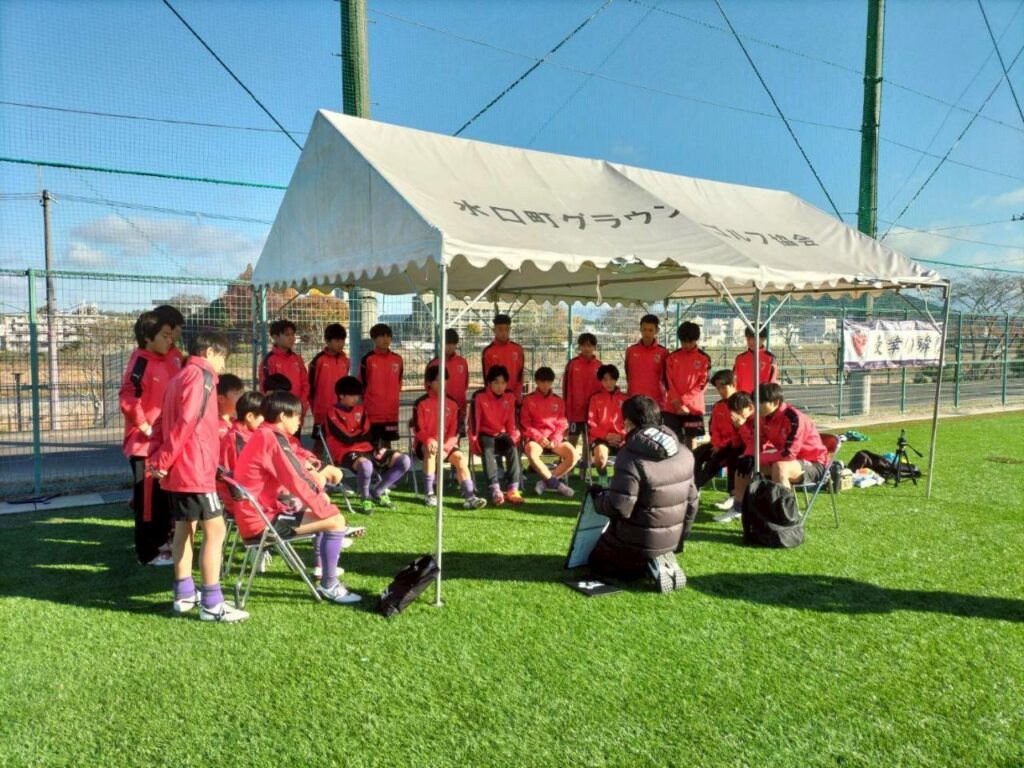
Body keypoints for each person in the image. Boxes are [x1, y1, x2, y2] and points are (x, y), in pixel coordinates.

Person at [148, 331, 248, 622]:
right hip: (195, 468)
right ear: (209, 353)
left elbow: (160, 422)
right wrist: (162, 459)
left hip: (182, 468)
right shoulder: (201, 377)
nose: (223, 364)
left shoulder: (178, 377)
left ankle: (183, 594)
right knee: (216, 531)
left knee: (185, 527)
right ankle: (212, 603)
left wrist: (158, 458)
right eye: (222, 357)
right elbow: (186, 422)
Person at [232, 392, 361, 605]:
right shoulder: (271, 438)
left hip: (259, 513)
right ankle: (329, 584)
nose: (300, 421)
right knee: (335, 520)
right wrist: (323, 504)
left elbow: (294, 471)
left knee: (322, 514)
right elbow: (296, 479)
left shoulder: (266, 434)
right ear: (283, 416)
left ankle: (325, 571)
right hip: (261, 521)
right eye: (297, 416)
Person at [588, 395, 696, 593]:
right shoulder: (684, 452)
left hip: (635, 541)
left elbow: (619, 507)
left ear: (628, 423)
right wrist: (679, 540)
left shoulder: (629, 455)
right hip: (672, 540)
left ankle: (646, 563)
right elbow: (693, 502)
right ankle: (659, 556)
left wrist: (597, 499)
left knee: (597, 561)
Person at [119, 310, 180, 566]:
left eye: (171, 335)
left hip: (162, 445)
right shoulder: (140, 362)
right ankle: (147, 554)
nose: (170, 340)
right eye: (165, 335)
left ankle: (162, 542)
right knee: (146, 504)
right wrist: (145, 426)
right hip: (143, 448)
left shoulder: (169, 359)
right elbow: (128, 397)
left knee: (161, 499)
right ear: (147, 337)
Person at [728, 383, 829, 520]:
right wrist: (749, 456)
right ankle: (738, 508)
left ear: (775, 402)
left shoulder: (794, 418)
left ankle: (785, 514)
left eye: (761, 403)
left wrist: (756, 458)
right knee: (743, 464)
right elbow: (757, 441)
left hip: (815, 463)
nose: (756, 407)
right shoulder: (763, 417)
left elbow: (789, 454)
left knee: (780, 467)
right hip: (789, 461)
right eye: (755, 402)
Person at [324, 376, 411, 513]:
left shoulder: (361, 410)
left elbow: (368, 434)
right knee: (366, 465)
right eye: (352, 395)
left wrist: (356, 435)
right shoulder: (332, 412)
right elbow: (346, 439)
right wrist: (359, 434)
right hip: (345, 453)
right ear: (341, 395)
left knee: (404, 461)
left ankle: (378, 491)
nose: (356, 398)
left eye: (358, 395)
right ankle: (365, 498)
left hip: (368, 449)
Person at [411, 364, 487, 509]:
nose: (442, 383)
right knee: (430, 451)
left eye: (444, 379)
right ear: (429, 382)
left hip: (447, 445)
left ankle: (470, 497)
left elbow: (455, 431)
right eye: (437, 380)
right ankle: (429, 494)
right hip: (425, 443)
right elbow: (418, 429)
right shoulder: (420, 403)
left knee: (459, 458)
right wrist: (429, 440)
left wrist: (445, 447)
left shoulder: (453, 404)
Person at [692, 370, 745, 520]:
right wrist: (716, 443)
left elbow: (741, 431)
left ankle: (733, 496)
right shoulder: (718, 405)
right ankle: (695, 489)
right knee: (695, 454)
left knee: (718, 461)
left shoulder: (743, 403)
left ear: (733, 384)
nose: (720, 390)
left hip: (737, 446)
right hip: (718, 444)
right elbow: (713, 428)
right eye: (717, 387)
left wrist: (721, 445)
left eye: (723, 386)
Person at [469, 366, 524, 505]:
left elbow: (512, 422)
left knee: (512, 448)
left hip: (501, 433)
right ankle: (495, 489)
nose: (500, 387)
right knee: (487, 449)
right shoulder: (479, 396)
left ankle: (513, 489)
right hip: (485, 433)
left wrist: (514, 438)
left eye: (503, 383)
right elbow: (474, 421)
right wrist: (474, 441)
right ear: (489, 383)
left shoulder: (510, 396)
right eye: (496, 383)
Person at [520, 367, 578, 497]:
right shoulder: (528, 400)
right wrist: (539, 437)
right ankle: (557, 485)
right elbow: (525, 423)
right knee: (531, 453)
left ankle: (545, 482)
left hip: (554, 439)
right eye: (542, 381)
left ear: (552, 382)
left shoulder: (558, 400)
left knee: (573, 455)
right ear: (536, 381)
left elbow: (562, 424)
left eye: (548, 382)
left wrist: (555, 440)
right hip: (536, 439)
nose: (545, 385)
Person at [664, 321, 711, 450]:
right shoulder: (672, 357)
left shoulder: (704, 358)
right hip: (672, 408)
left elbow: (702, 384)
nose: (687, 345)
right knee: (673, 438)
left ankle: (692, 462)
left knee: (691, 438)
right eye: (683, 342)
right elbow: (667, 381)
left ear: (696, 340)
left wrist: (683, 402)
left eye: (690, 342)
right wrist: (677, 403)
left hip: (693, 408)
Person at [259, 319, 310, 432]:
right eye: (287, 335)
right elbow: (266, 389)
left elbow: (305, 384)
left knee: (295, 441)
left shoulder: (298, 359)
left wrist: (301, 406)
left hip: (296, 412)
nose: (291, 338)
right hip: (279, 417)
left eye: (293, 335)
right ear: (275, 337)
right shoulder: (269, 361)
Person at [359, 323, 403, 446]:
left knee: (387, 444)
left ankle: (386, 460)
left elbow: (399, 382)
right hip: (372, 413)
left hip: (391, 413)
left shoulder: (398, 359)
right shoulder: (368, 359)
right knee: (371, 444)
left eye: (388, 336)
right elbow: (362, 384)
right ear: (374, 338)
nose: (386, 339)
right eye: (382, 336)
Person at [586, 364, 628, 484]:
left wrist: (621, 435)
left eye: (611, 379)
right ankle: (603, 476)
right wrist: (606, 436)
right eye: (605, 379)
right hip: (601, 437)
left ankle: (617, 480)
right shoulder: (594, 398)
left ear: (616, 379)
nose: (608, 382)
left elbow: (629, 422)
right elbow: (591, 423)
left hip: (621, 438)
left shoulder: (625, 399)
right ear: (600, 381)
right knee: (600, 458)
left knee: (628, 458)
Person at [308, 323, 350, 436]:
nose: (340, 344)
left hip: (340, 409)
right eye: (337, 340)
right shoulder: (318, 360)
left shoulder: (346, 361)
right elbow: (310, 386)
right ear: (327, 340)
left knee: (339, 441)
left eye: (342, 340)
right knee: (320, 441)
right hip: (322, 410)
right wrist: (315, 407)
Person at [562, 332, 602, 448]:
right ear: (579, 346)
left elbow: (602, 390)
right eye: (583, 345)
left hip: (592, 412)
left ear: (594, 347)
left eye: (589, 345)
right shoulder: (572, 364)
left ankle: (585, 459)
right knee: (571, 442)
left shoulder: (599, 365)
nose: (586, 348)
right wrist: (566, 409)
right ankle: (568, 459)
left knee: (588, 442)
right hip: (575, 412)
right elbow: (566, 388)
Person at [427, 328, 470, 435]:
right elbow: (428, 388)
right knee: (439, 437)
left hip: (459, 409)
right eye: (447, 343)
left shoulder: (462, 362)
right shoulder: (434, 364)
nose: (450, 346)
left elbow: (465, 384)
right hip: (439, 411)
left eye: (453, 344)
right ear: (441, 343)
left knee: (456, 438)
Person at [625, 313, 668, 410]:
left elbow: (667, 378)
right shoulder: (630, 351)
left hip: (656, 401)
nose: (647, 333)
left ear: (656, 331)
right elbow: (628, 373)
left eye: (651, 330)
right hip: (634, 399)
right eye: (644, 329)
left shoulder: (663, 352)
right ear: (640, 329)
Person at [481, 313, 525, 403]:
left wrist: (517, 396)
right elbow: (487, 379)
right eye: (500, 329)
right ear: (494, 330)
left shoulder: (518, 349)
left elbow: (520, 375)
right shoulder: (488, 352)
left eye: (507, 329)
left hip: (514, 397)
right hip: (495, 399)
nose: (504, 332)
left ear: (510, 330)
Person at [733, 327, 778, 396]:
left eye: (754, 339)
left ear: (763, 339)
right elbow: (734, 380)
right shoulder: (740, 358)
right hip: (743, 398)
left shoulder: (770, 358)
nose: (751, 341)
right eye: (748, 338)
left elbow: (772, 381)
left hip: (762, 398)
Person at [215, 373, 245, 440]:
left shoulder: (238, 421)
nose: (242, 397)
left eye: (242, 392)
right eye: (236, 393)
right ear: (221, 398)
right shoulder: (217, 427)